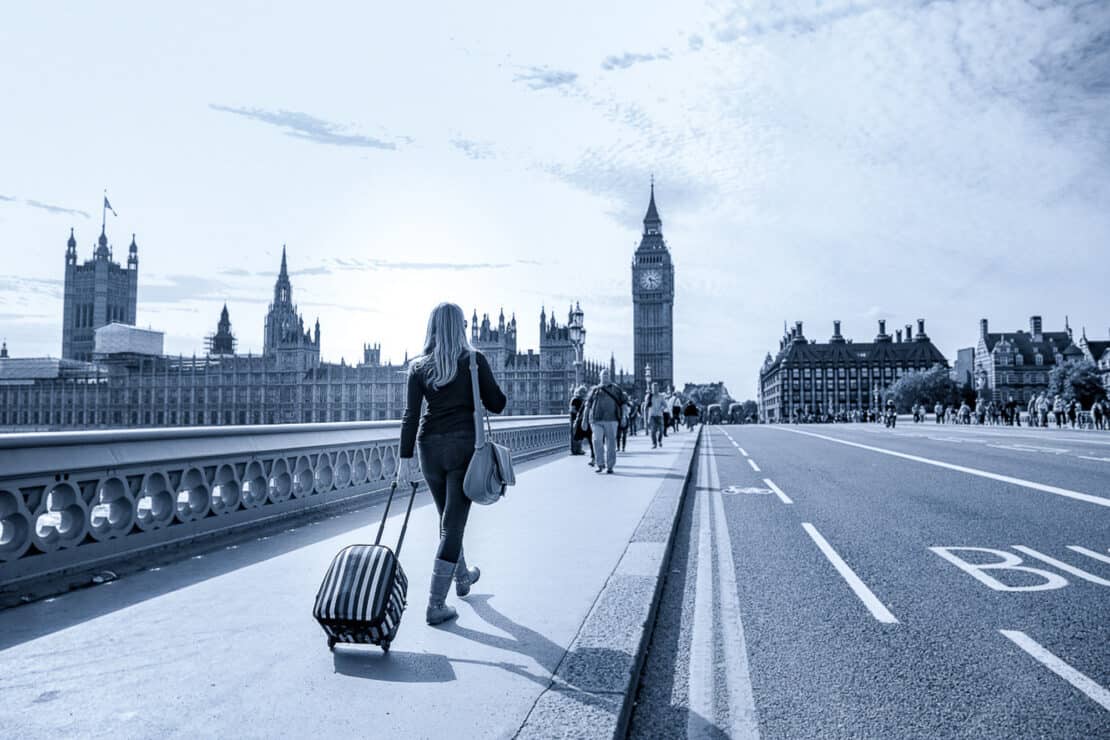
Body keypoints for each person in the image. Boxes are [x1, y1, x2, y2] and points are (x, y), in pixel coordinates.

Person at [396, 302, 507, 626]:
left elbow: (410, 416)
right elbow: (497, 404)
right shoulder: (474, 360)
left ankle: (462, 578)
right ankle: (435, 605)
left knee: (447, 519)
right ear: (462, 327)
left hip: (428, 448)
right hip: (463, 447)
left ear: (431, 328)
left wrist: (404, 459)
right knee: (453, 525)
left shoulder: (418, 367)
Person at [582, 369, 629, 474]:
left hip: (612, 419)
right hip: (595, 419)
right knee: (597, 441)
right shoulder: (594, 389)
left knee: (611, 443)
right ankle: (600, 464)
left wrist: (624, 417)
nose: (606, 376)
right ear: (600, 376)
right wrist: (584, 419)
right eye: (604, 374)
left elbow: (624, 404)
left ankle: (610, 466)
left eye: (607, 374)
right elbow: (587, 405)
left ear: (610, 376)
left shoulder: (616, 389)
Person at [643, 383, 667, 448]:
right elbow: (645, 408)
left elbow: (665, 405)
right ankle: (654, 443)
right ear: (652, 388)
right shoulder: (649, 396)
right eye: (653, 388)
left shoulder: (661, 396)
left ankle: (659, 440)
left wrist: (662, 408)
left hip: (660, 415)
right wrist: (646, 419)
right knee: (653, 431)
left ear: (658, 388)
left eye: (656, 388)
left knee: (661, 430)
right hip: (652, 416)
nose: (655, 389)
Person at [569, 386, 588, 456]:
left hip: (580, 419)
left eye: (585, 392)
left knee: (580, 435)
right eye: (583, 392)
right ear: (580, 392)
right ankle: (573, 450)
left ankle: (579, 449)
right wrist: (578, 415)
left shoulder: (582, 400)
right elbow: (572, 409)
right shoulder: (575, 399)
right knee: (574, 435)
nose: (584, 394)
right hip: (574, 419)